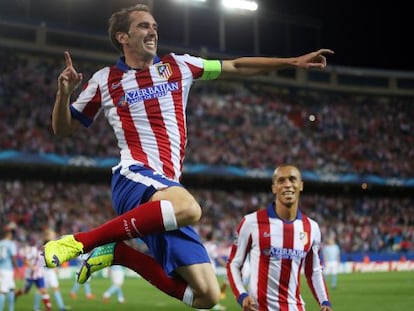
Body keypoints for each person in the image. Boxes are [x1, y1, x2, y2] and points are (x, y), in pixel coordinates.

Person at [42, 3, 334, 309]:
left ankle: (120, 254)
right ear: (122, 37)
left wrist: (292, 61)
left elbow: (235, 66)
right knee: (190, 208)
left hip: (167, 194)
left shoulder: (179, 66)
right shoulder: (105, 80)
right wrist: (64, 93)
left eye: (154, 26)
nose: (152, 31)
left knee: (206, 295)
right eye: (143, 26)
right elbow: (63, 129)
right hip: (134, 176)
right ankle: (81, 241)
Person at [226, 165, 333, 311]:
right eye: (281, 180)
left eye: (292, 179)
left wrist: (324, 302)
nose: (287, 184)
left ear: (301, 186)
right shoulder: (251, 222)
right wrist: (242, 296)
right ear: (274, 188)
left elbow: (313, 270)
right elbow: (234, 263)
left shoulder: (312, 228)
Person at [38, 229, 71, 311]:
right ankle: (61, 307)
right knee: (44, 290)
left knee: (45, 290)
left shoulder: (45, 244)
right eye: (52, 234)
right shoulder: (48, 244)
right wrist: (54, 268)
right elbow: (48, 258)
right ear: (48, 235)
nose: (54, 235)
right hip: (47, 271)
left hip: (46, 270)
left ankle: (61, 307)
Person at [15, 239, 52, 311]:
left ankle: (48, 309)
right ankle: (15, 294)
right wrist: (32, 267)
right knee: (25, 291)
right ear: (45, 246)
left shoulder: (48, 254)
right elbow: (25, 260)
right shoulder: (34, 251)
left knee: (43, 290)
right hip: (30, 276)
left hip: (39, 275)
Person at [202, 230, 228, 311]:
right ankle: (211, 305)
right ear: (212, 237)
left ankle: (204, 305)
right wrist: (226, 265)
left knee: (205, 287)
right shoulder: (212, 246)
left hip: (203, 268)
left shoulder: (203, 245)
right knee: (213, 288)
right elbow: (217, 258)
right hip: (211, 268)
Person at [0, 225, 18, 311]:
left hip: (1, 268)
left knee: (11, 289)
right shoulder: (11, 244)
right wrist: (17, 267)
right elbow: (13, 257)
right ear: (9, 234)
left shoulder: (0, 243)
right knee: (3, 291)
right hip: (7, 269)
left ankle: (11, 309)